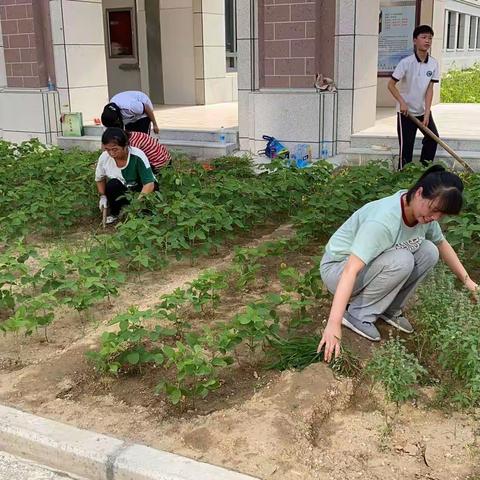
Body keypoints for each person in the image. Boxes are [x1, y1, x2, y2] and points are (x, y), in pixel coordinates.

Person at [317, 165, 478, 363]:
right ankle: (358, 314)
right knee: (403, 259)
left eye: (441, 215)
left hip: (371, 267)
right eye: (434, 210)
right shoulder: (384, 220)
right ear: (419, 193)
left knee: (429, 251)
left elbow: (442, 244)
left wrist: (470, 283)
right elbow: (351, 269)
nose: (435, 218)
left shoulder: (423, 216)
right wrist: (333, 324)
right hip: (338, 270)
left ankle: (390, 309)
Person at [388, 25, 439, 170]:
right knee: (406, 148)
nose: (427, 41)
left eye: (430, 38)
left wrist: (427, 111)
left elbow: (430, 89)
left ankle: (424, 170)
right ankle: (403, 175)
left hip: (422, 111)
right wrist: (402, 103)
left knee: (433, 138)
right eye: (423, 37)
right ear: (414, 40)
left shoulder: (434, 63)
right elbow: (391, 85)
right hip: (406, 113)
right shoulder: (406, 63)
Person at [96, 127, 158, 224]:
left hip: (142, 189)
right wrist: (102, 196)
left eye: (115, 149)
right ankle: (115, 213)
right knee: (112, 185)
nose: (111, 153)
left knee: (145, 214)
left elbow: (149, 184)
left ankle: (142, 212)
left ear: (125, 145)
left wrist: (136, 205)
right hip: (125, 190)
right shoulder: (104, 157)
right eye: (108, 149)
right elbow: (99, 179)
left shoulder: (137, 156)